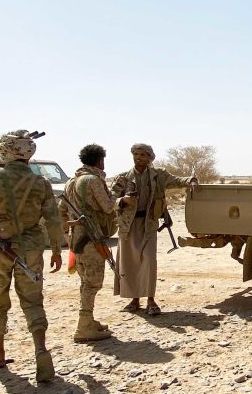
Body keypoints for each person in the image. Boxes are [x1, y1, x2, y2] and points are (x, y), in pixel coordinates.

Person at [0, 130, 63, 382]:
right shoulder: (41, 183)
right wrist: (55, 251)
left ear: (4, 151)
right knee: (33, 301)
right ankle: (41, 351)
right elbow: (53, 220)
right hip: (31, 250)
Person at [111, 143, 196, 316]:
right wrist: (123, 201)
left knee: (149, 261)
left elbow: (178, 181)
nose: (138, 157)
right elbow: (110, 199)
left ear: (150, 157)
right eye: (136, 154)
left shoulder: (159, 175)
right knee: (129, 262)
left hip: (149, 224)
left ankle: (151, 300)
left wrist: (192, 180)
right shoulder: (123, 178)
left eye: (143, 154)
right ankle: (134, 299)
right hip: (128, 225)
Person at [62, 144, 116, 342]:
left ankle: (88, 320)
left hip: (77, 238)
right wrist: (121, 199)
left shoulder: (71, 181)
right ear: (100, 160)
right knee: (93, 282)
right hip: (91, 237)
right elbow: (108, 207)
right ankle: (84, 327)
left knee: (85, 280)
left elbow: (62, 210)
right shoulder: (93, 180)